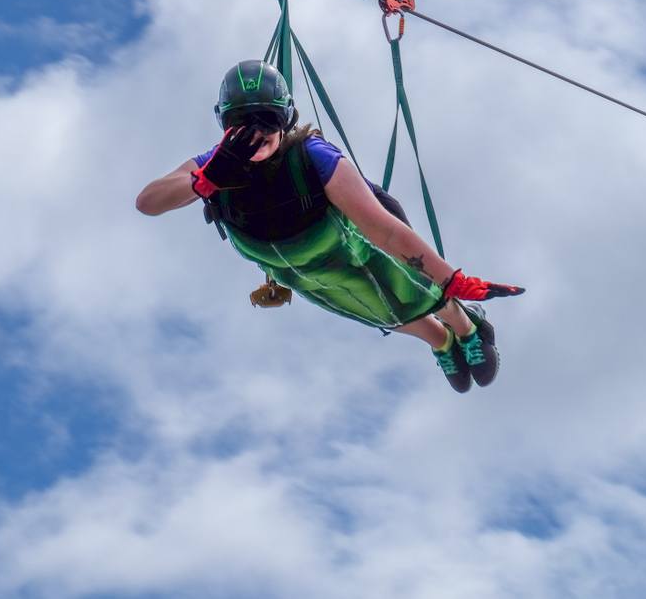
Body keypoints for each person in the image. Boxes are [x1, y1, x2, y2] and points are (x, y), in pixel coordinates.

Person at [136, 60, 524, 393]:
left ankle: (465, 325)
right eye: (241, 123)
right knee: (373, 309)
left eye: (267, 120)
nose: (256, 134)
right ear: (225, 125)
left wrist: (452, 280)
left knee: (408, 287)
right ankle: (440, 341)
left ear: (285, 119)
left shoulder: (313, 157)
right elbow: (148, 202)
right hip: (301, 272)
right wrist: (203, 180)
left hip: (345, 247)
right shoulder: (212, 165)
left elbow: (385, 231)